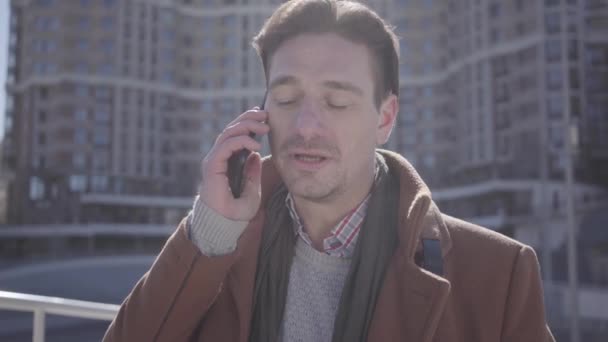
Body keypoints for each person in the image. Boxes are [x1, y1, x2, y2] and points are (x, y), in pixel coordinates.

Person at [104, 0, 555, 341]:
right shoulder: (223, 251)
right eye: (285, 99)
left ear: (385, 117)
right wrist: (211, 229)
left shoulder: (497, 275)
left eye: (337, 102)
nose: (305, 127)